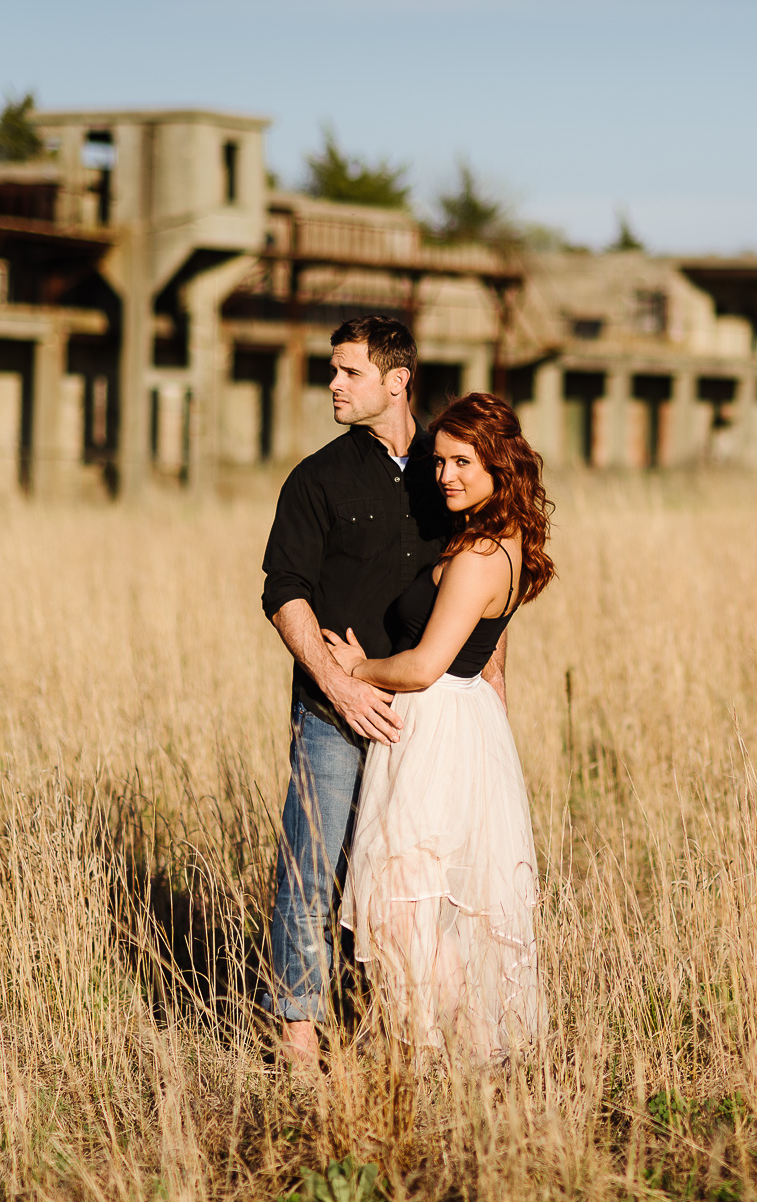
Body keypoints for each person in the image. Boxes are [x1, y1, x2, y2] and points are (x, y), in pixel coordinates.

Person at [258, 316, 504, 1071]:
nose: (333, 385)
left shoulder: (451, 468)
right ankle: (299, 1040)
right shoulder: (317, 478)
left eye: (348, 372)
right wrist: (337, 683)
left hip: (427, 721)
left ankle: (392, 1026)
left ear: (396, 381)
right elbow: (284, 592)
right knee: (315, 864)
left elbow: (484, 594)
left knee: (406, 875)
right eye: (332, 371)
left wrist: (493, 721)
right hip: (336, 712)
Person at [322, 393, 555, 1063]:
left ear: (499, 465)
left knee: (402, 902)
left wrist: (357, 667)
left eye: (463, 461)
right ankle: (454, 1052)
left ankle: (461, 1049)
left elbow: (425, 667)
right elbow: (492, 663)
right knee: (423, 902)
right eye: (440, 461)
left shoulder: (482, 553)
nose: (445, 475)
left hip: (439, 725)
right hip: (462, 726)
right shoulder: (497, 537)